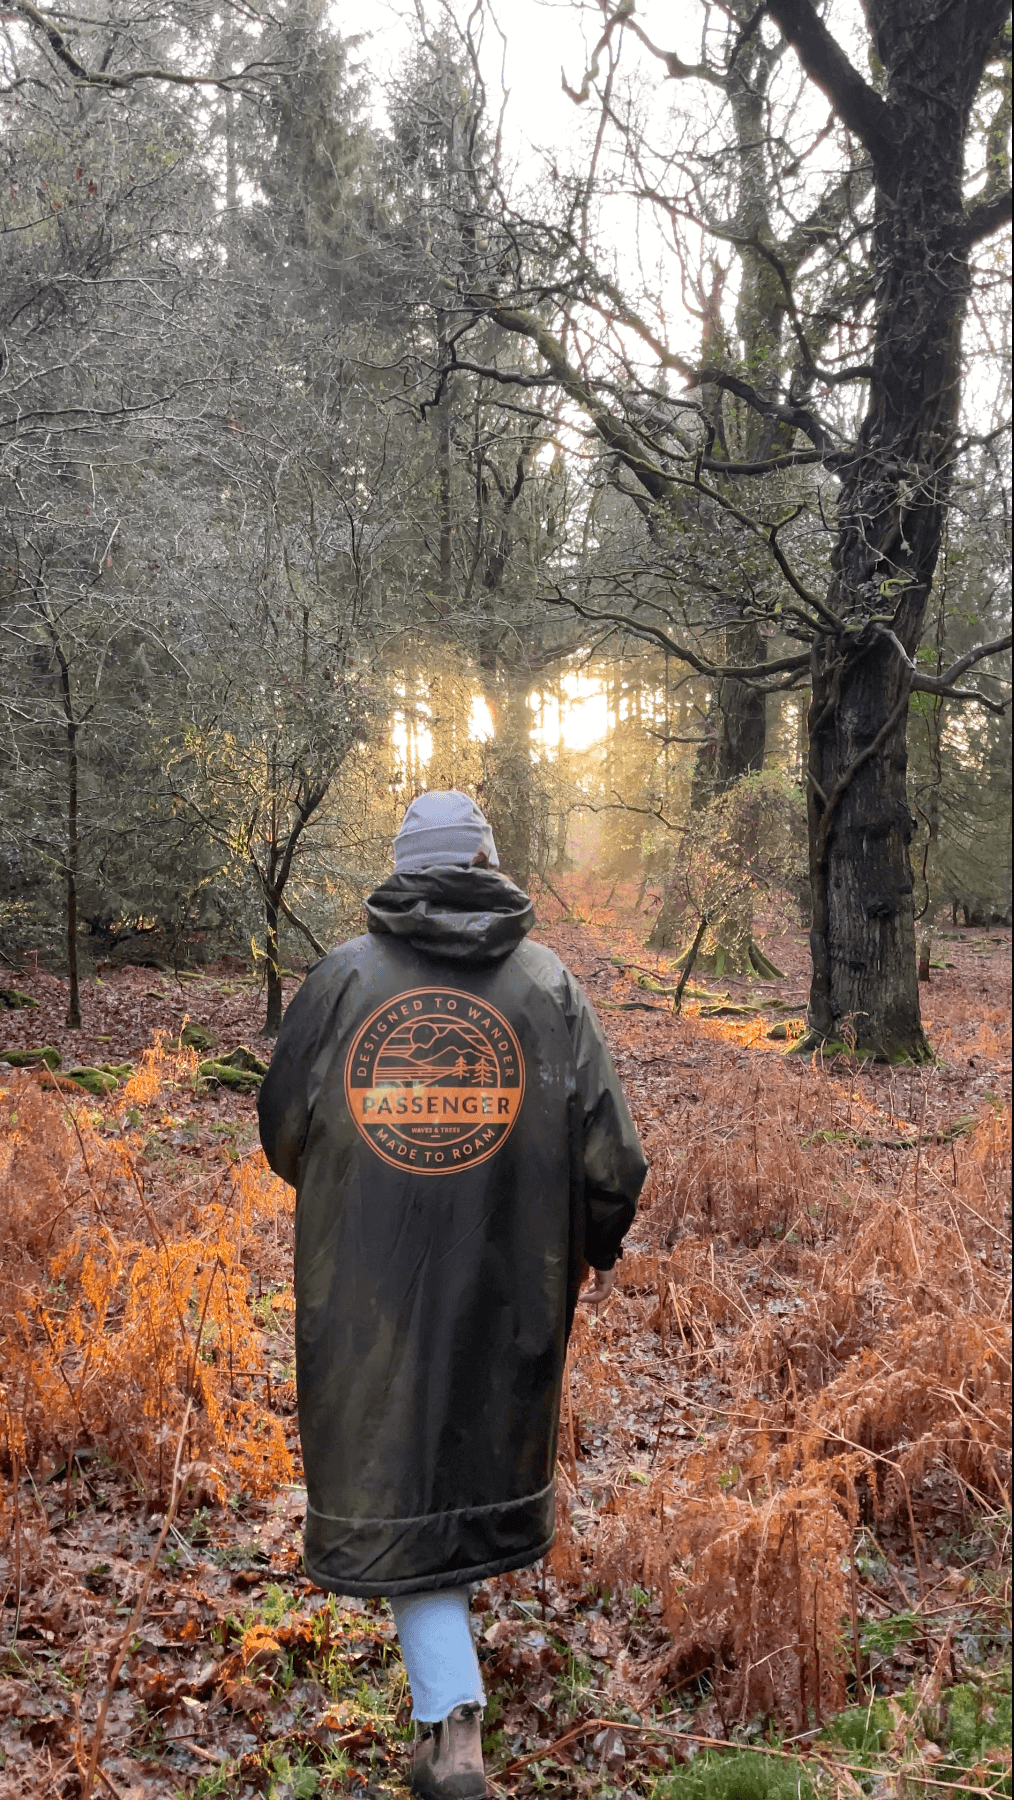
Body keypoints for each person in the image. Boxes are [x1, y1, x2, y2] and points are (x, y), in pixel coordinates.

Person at [258, 790, 647, 1799]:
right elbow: (613, 1159)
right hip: (512, 1276)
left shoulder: (344, 980)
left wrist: (372, 1190)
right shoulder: (546, 983)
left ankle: (452, 1719)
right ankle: (451, 1709)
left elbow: (285, 1136)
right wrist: (586, 1250)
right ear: (486, 858)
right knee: (456, 1457)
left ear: (402, 865)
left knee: (405, 1467)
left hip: (372, 1288)